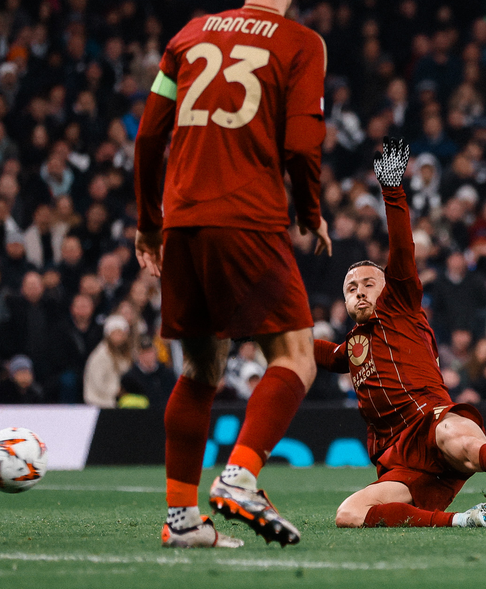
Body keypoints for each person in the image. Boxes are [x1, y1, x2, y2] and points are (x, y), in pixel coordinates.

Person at [134, 0, 332, 548]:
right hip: (246, 215)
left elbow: (148, 136)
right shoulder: (300, 42)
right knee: (295, 354)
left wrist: (149, 223)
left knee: (201, 367)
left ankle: (182, 521)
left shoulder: (189, 34)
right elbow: (301, 143)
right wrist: (310, 212)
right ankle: (240, 476)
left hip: (182, 220)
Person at [315, 138, 486, 530]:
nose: (359, 292)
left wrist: (392, 192)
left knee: (458, 439)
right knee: (349, 514)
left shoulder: (400, 306)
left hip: (431, 421)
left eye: (368, 284)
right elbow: (312, 351)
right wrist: (259, 332)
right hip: (399, 460)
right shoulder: (353, 346)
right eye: (351, 288)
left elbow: (401, 250)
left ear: (387, 288)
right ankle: (462, 520)